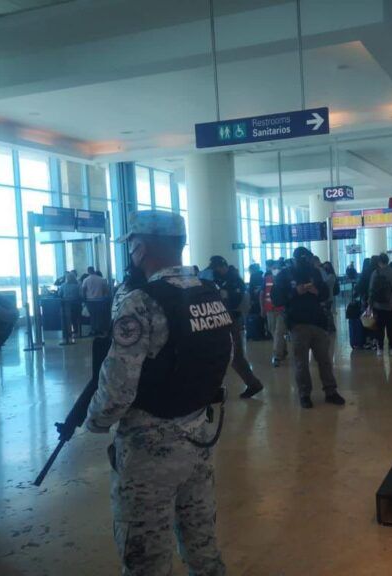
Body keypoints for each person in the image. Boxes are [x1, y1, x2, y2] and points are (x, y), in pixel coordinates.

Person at [86, 210, 232, 576]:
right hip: (200, 435)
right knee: (202, 545)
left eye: (132, 245)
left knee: (146, 557)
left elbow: (118, 388)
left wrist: (95, 420)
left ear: (140, 246)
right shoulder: (209, 292)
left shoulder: (140, 301)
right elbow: (224, 355)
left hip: (149, 449)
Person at [272, 247, 345, 409]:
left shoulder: (315, 272)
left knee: (325, 360)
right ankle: (304, 394)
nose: (305, 263)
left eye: (307, 259)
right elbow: (277, 299)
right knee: (301, 362)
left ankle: (330, 391)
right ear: (295, 259)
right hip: (297, 323)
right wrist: (295, 292)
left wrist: (316, 290)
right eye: (302, 259)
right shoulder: (285, 275)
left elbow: (326, 293)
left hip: (317, 322)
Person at [209, 255, 264, 399]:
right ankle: (215, 388)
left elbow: (235, 300)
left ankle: (253, 384)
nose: (216, 271)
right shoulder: (214, 279)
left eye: (218, 268)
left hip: (231, 320)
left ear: (223, 266)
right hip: (218, 320)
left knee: (235, 355)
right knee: (220, 355)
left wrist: (224, 295)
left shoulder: (235, 280)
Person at [369, 253, 392, 356]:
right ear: (387, 261)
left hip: (378, 305)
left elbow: (371, 290)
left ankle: (380, 349)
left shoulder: (375, 273)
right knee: (390, 327)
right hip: (390, 305)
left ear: (379, 262)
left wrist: (370, 304)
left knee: (379, 328)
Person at [260, 260, 287, 367]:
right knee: (273, 331)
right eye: (274, 268)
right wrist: (262, 308)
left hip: (282, 310)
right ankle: (283, 350)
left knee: (278, 332)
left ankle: (277, 356)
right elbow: (262, 294)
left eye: (278, 268)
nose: (276, 270)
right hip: (269, 309)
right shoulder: (266, 279)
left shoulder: (285, 280)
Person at [82, 266, 110, 335]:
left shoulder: (86, 280)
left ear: (88, 271)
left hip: (90, 300)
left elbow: (84, 290)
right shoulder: (101, 279)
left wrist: (84, 299)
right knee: (99, 316)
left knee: (92, 316)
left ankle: (93, 330)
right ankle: (99, 330)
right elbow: (106, 290)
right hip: (100, 300)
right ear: (94, 270)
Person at [58, 272, 81, 344]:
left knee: (67, 320)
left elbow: (59, 294)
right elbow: (80, 294)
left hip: (66, 304)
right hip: (76, 304)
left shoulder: (63, 286)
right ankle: (76, 331)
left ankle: (67, 333)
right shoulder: (77, 286)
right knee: (75, 318)